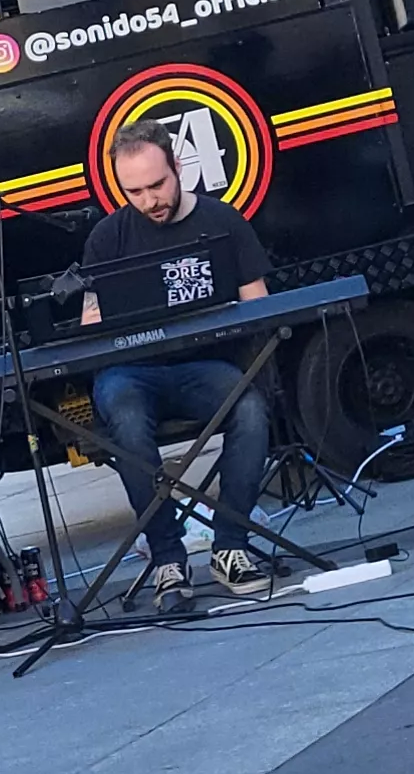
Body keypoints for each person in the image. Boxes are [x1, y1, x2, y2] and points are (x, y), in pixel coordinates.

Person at [78, 118, 278, 606]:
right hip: (131, 371)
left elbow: (260, 306)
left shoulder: (222, 221)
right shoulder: (108, 236)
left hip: (202, 366)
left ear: (179, 166)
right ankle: (168, 556)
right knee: (123, 416)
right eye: (135, 191)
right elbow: (88, 328)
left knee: (249, 408)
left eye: (157, 184)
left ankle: (231, 545)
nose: (150, 200)